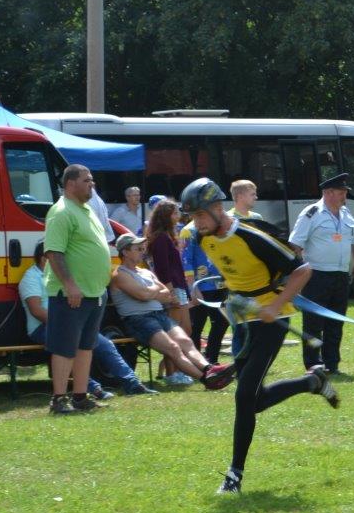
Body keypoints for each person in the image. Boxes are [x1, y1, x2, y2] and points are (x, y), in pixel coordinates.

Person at [179, 178, 339, 496]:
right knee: (254, 399)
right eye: (192, 217)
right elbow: (235, 273)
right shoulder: (203, 237)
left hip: (272, 318)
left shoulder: (251, 236)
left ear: (217, 208)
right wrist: (233, 298)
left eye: (199, 215)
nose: (195, 223)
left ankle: (234, 477)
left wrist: (275, 305)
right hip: (245, 318)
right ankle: (312, 382)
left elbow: (302, 270)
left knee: (244, 397)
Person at [20, 243, 156, 400]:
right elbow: (36, 311)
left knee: (105, 345)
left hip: (72, 323)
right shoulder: (31, 278)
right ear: (45, 259)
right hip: (44, 327)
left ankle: (133, 384)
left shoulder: (61, 277)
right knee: (69, 348)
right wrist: (69, 324)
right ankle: (94, 389)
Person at [110, 233, 234, 387]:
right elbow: (143, 295)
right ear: (125, 252)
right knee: (173, 348)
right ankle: (207, 380)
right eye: (138, 249)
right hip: (138, 319)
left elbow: (167, 294)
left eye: (143, 248)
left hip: (159, 315)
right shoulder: (120, 274)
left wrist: (150, 292)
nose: (143, 251)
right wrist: (154, 291)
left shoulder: (146, 272)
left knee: (186, 341)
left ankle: (210, 369)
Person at [41, 164, 115, 415]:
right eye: (87, 180)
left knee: (85, 346)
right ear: (70, 183)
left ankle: (81, 397)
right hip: (70, 294)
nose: (92, 184)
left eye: (92, 180)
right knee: (65, 347)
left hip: (94, 292)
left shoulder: (87, 209)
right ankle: (59, 399)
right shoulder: (61, 212)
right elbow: (54, 252)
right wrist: (70, 285)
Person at [289, 173, 354, 374]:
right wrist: (301, 271)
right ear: (328, 193)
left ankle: (332, 363)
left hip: (340, 275)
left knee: (336, 321)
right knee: (313, 323)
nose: (344, 196)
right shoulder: (311, 213)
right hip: (316, 275)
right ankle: (313, 364)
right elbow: (295, 244)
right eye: (341, 192)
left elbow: (353, 240)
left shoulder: (346, 214)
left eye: (344, 192)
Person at [145, 199, 192, 354]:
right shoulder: (161, 238)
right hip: (173, 287)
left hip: (180, 286)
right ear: (166, 216)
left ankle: (175, 365)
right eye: (175, 213)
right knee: (176, 333)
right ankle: (171, 367)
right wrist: (170, 293)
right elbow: (162, 268)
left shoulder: (168, 235)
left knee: (186, 330)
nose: (178, 216)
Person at [181, 222, 229, 365]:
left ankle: (211, 360)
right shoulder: (188, 231)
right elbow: (185, 261)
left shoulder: (217, 226)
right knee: (196, 326)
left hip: (220, 284)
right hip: (200, 286)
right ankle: (197, 364)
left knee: (222, 322)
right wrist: (192, 288)